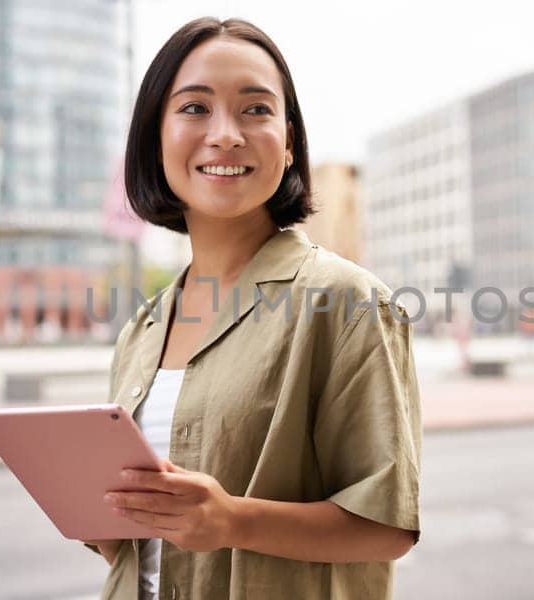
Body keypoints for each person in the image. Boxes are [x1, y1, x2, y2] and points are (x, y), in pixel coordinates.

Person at [86, 17, 422, 600]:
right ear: (154, 137)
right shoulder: (142, 329)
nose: (226, 134)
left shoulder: (347, 304)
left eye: (255, 110)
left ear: (288, 142)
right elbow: (135, 545)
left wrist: (233, 522)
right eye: (194, 108)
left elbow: (386, 525)